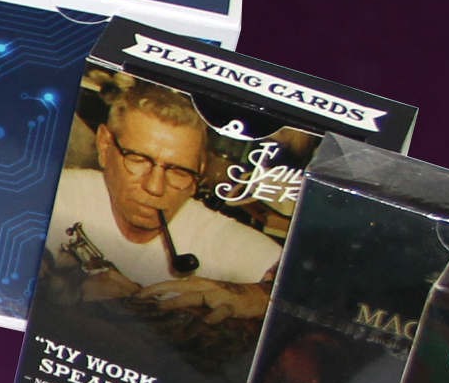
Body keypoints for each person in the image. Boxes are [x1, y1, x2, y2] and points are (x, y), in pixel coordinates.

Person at [48, 79, 279, 329]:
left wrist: (258, 298)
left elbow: (301, 292)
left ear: (200, 173)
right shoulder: (55, 193)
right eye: (138, 159)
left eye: (179, 171)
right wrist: (67, 288)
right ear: (104, 145)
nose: (155, 187)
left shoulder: (215, 236)